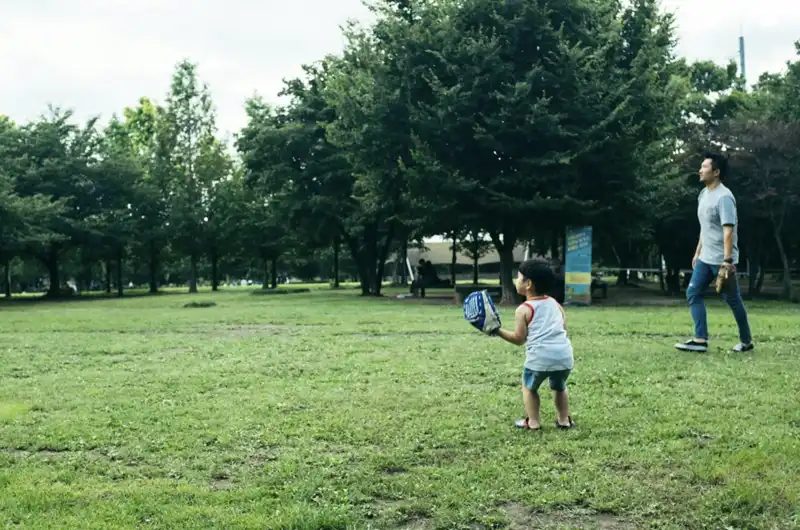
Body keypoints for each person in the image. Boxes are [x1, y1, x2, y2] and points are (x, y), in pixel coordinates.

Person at [674, 151, 754, 353]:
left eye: (705, 167)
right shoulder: (704, 194)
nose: (700, 170)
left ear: (716, 172)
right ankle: (700, 340)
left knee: (732, 300)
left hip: (721, 260)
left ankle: (746, 342)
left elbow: (728, 231)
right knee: (693, 292)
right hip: (705, 257)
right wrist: (697, 251)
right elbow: (705, 227)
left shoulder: (725, 197)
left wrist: (727, 261)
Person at [492, 260, 575, 431]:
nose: (516, 280)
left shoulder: (524, 309)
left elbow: (518, 339)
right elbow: (564, 330)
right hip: (564, 356)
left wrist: (497, 331)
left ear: (528, 284)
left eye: (519, 277)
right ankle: (564, 420)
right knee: (560, 387)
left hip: (540, 359)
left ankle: (533, 422)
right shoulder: (556, 304)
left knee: (529, 388)